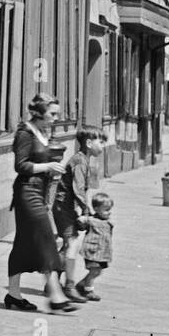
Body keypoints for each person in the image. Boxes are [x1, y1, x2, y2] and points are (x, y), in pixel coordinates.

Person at [5, 95, 75, 312]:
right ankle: (55, 295)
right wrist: (48, 167)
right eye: (52, 114)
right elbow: (21, 165)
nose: (56, 118)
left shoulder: (42, 132)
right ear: (39, 113)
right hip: (27, 193)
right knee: (47, 239)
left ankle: (13, 296)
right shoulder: (24, 133)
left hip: (39, 191)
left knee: (22, 245)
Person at [53, 124, 102, 302]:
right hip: (65, 207)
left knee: (68, 245)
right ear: (89, 143)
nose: (102, 145)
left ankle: (52, 283)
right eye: (100, 142)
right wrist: (86, 211)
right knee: (71, 244)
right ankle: (69, 286)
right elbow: (78, 189)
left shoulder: (84, 159)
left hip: (66, 206)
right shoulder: (80, 161)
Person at [78, 192, 114, 300]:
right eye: (106, 209)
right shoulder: (92, 220)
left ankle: (81, 284)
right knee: (94, 271)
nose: (109, 212)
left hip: (102, 252)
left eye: (110, 209)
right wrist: (83, 219)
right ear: (97, 209)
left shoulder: (107, 222)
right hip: (92, 251)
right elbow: (82, 221)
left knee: (98, 271)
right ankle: (88, 290)